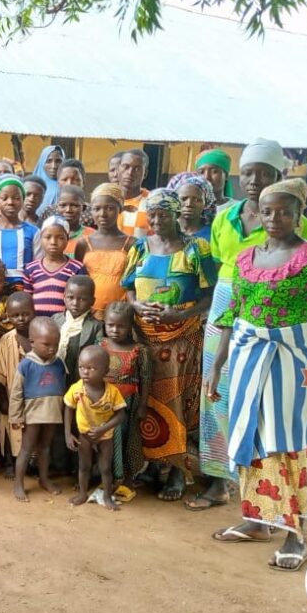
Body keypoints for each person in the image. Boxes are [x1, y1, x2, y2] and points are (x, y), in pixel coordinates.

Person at [208, 179, 307, 571]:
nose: (274, 218)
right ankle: (257, 521)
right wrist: (216, 366)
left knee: (286, 439)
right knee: (249, 432)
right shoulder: (246, 259)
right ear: (258, 214)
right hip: (245, 359)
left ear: (300, 214)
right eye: (267, 211)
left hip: (289, 362)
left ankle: (295, 533)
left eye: (284, 211)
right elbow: (230, 318)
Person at [197, 138, 307, 511]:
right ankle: (218, 480)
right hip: (226, 307)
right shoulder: (224, 217)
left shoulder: (301, 226)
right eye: (248, 172)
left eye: (264, 174)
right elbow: (221, 266)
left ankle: (259, 487)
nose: (254, 180)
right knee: (216, 393)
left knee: (261, 401)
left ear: (278, 177)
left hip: (271, 317)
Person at [121, 188, 217, 503]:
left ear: (176, 215)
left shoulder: (195, 249)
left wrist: (180, 312)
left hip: (182, 339)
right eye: (153, 214)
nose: (158, 220)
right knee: (147, 401)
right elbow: (129, 290)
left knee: (177, 401)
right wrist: (136, 308)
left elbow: (209, 295)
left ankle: (178, 470)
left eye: (164, 214)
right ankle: (153, 464)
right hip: (146, 337)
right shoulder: (139, 247)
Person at [64, 346, 127, 511]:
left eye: (91, 368)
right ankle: (82, 494)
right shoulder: (76, 389)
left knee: (105, 468)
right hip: (84, 435)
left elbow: (121, 415)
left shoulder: (112, 392)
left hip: (105, 436)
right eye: (81, 367)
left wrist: (102, 429)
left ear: (105, 371)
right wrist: (67, 434)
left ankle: (107, 496)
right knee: (84, 466)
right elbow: (68, 409)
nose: (85, 372)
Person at [10, 316, 66, 500]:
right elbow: (16, 392)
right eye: (46, 344)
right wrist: (16, 417)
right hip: (33, 414)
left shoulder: (59, 363)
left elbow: (64, 388)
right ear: (32, 342)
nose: (52, 349)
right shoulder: (26, 364)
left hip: (53, 412)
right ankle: (18, 484)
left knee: (46, 448)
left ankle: (44, 479)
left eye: (55, 345)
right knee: (26, 449)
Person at [100, 301, 150, 483]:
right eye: (111, 325)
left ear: (130, 327)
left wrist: (143, 405)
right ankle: (104, 475)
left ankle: (123, 475)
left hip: (127, 403)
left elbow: (145, 379)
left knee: (123, 437)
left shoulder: (140, 350)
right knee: (105, 438)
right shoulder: (101, 345)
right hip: (103, 403)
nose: (115, 330)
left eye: (121, 326)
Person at [74, 184, 133, 319]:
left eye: (110, 208)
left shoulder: (131, 243)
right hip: (88, 314)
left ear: (120, 209)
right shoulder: (84, 243)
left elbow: (134, 283)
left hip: (120, 316)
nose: (103, 214)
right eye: (97, 208)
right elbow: (79, 279)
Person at [0, 291, 35, 476]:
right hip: (12, 394)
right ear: (9, 316)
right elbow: (0, 372)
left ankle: (31, 463)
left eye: (26, 314)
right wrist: (2, 397)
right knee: (11, 427)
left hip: (35, 396)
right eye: (16, 315)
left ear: (34, 312)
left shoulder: (40, 336)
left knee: (33, 429)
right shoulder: (6, 340)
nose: (21, 319)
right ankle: (10, 462)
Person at [23, 215, 86, 316]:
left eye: (60, 238)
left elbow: (81, 300)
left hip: (64, 325)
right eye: (48, 237)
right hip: (37, 324)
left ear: (67, 239)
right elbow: (27, 300)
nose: (53, 242)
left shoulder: (77, 269)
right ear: (41, 238)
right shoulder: (30, 269)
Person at [0, 176, 38, 284]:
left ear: (23, 201)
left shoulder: (33, 231)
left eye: (16, 198)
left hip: (23, 289)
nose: (10, 202)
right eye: (4, 198)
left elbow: (37, 263)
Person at [55, 275, 104, 380]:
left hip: (79, 380)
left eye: (82, 299)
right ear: (64, 297)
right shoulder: (55, 320)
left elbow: (98, 356)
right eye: (70, 297)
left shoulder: (97, 327)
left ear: (92, 301)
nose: (75, 303)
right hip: (54, 377)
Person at [168, 172, 216, 241]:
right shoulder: (163, 230)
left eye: (197, 200)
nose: (189, 204)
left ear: (206, 203)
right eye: (183, 199)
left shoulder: (213, 235)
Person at [116, 149, 150, 237]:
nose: (130, 172)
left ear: (145, 173)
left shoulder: (152, 202)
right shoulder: (105, 198)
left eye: (137, 168)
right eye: (126, 166)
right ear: (117, 170)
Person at [53, 185, 94, 256]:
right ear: (57, 207)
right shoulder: (49, 234)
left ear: (83, 208)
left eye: (74, 205)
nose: (68, 210)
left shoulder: (92, 236)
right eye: (63, 205)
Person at [32, 144, 65, 211]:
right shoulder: (31, 187)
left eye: (58, 161)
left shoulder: (67, 188)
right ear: (42, 163)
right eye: (48, 161)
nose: (54, 166)